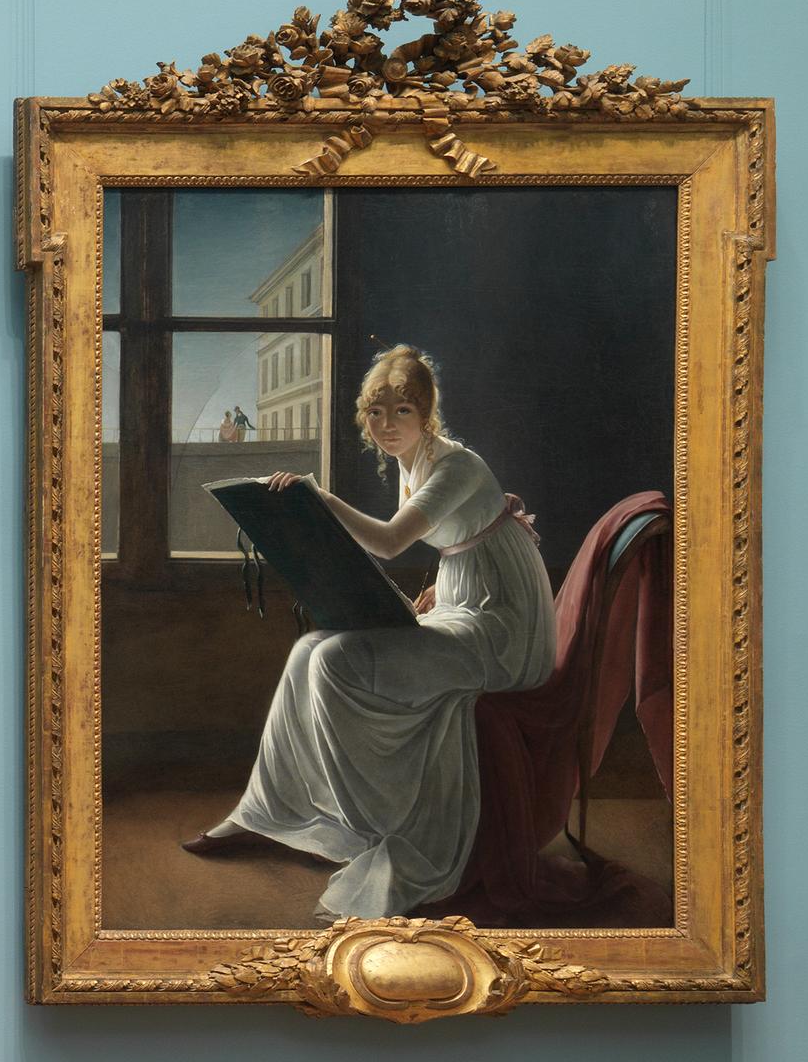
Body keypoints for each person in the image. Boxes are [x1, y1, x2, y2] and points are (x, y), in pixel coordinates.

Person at [187, 345, 554, 915]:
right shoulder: (414, 461)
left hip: (504, 630)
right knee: (309, 648)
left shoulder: (455, 465)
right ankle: (266, 813)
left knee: (338, 661)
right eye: (376, 413)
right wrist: (440, 586)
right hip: (465, 601)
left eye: (402, 412)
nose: (387, 426)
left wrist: (320, 498)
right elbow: (466, 535)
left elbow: (388, 541)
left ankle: (376, 824)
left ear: (426, 413)